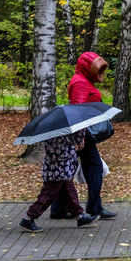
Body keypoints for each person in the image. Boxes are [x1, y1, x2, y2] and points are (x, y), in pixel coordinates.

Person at [49, 52, 117, 220]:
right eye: (98, 69)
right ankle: (94, 207)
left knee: (69, 168)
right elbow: (77, 111)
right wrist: (79, 138)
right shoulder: (80, 82)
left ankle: (59, 207)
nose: (101, 73)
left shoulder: (83, 80)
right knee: (92, 167)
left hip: (82, 134)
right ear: (88, 66)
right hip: (81, 134)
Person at [19, 129, 99, 232]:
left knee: (69, 193)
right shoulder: (63, 126)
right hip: (60, 167)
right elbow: (76, 135)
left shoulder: (50, 127)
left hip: (57, 166)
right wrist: (78, 141)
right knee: (48, 195)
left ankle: (79, 216)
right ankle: (29, 218)